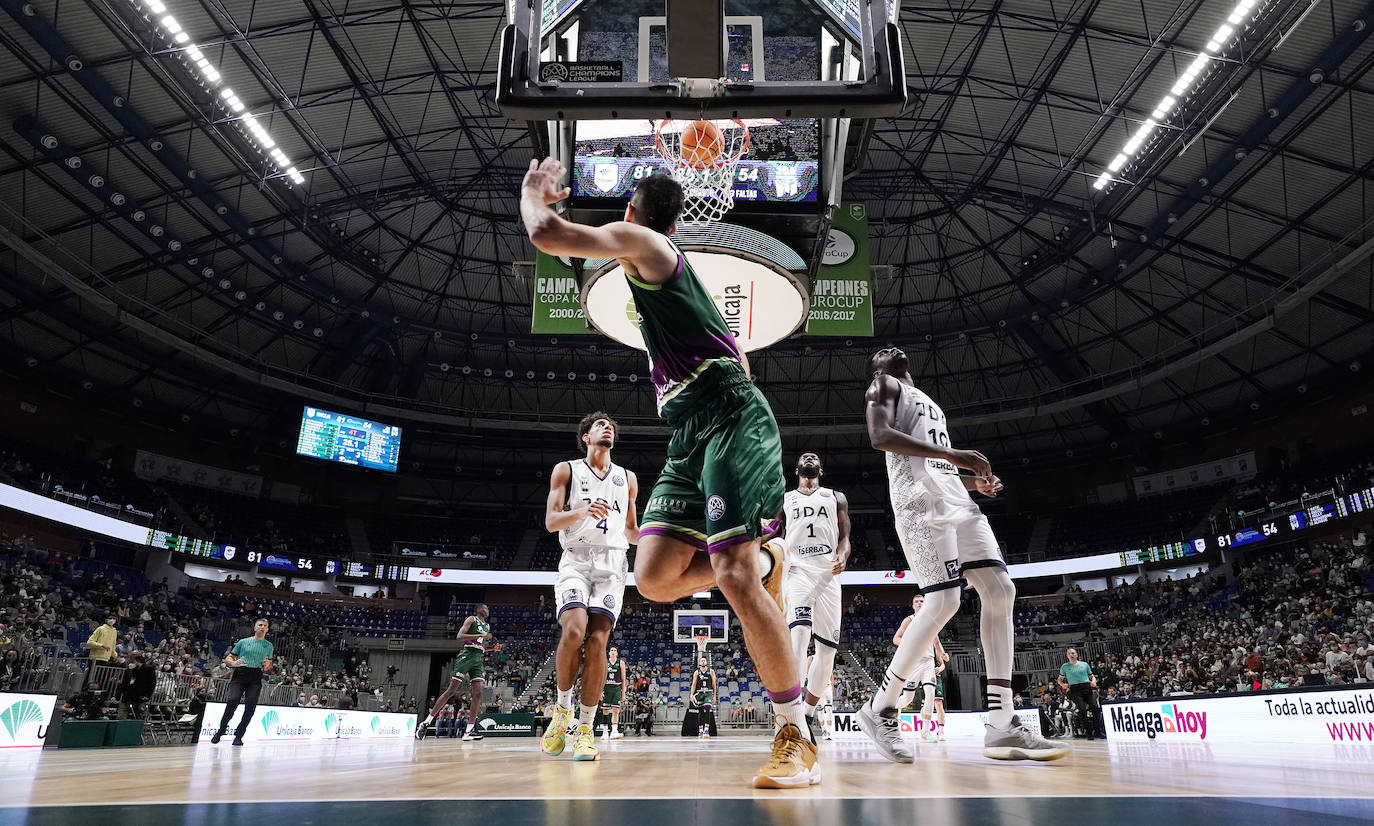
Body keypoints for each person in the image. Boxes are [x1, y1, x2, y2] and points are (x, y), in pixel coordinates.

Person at [521, 159, 817, 789]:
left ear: (632, 210)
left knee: (731, 573)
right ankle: (769, 561)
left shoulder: (647, 243)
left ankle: (795, 733)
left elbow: (546, 234)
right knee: (654, 580)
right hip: (689, 432)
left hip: (730, 416)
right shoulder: (659, 277)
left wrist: (532, 191)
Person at [857, 347, 1069, 763]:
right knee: (944, 600)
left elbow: (938, 467)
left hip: (956, 500)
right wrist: (957, 456)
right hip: (921, 506)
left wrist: (973, 483)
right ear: (877, 369)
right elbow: (879, 438)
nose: (891, 349)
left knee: (1000, 589)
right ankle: (880, 706)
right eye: (880, 352)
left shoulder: (928, 403)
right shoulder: (883, 386)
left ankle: (1002, 724)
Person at [539, 412, 640, 763]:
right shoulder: (566, 469)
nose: (608, 426)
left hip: (612, 565)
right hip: (577, 560)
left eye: (611, 424)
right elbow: (552, 522)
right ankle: (562, 712)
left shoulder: (628, 479)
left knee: (598, 642)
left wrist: (658, 539)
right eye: (600, 425)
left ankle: (585, 728)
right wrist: (580, 511)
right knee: (574, 631)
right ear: (586, 437)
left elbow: (630, 530)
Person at [765, 452, 850, 742]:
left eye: (814, 457)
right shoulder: (786, 499)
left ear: (821, 470)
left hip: (828, 573)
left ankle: (808, 716)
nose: (810, 458)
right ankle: (792, 715)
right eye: (805, 457)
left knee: (827, 652)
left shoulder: (836, 496)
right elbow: (771, 530)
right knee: (799, 636)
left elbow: (845, 537)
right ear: (797, 468)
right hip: (797, 569)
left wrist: (844, 553)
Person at [416, 604, 495, 742]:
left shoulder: (487, 626)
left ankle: (469, 731)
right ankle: (426, 722)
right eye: (485, 607)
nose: (487, 609)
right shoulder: (472, 619)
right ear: (478, 610)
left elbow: (480, 644)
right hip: (466, 656)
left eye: (488, 608)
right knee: (451, 691)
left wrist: (492, 648)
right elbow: (460, 636)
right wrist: (480, 634)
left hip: (478, 658)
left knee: (478, 694)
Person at [894, 594, 950, 742]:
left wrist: (941, 656)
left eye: (922, 601)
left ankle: (925, 731)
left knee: (930, 693)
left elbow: (936, 643)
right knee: (907, 698)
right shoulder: (909, 620)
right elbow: (896, 638)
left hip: (928, 663)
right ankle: (893, 709)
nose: (919, 603)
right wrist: (910, 645)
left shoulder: (932, 621)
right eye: (916, 602)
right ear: (913, 605)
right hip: (914, 663)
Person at [211, 618, 274, 745]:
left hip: (255, 675)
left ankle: (239, 736)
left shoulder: (269, 646)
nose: (262, 627)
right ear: (255, 628)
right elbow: (229, 658)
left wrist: (267, 665)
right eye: (260, 625)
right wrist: (233, 663)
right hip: (240, 673)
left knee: (250, 706)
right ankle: (221, 730)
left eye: (265, 626)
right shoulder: (243, 642)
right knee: (232, 700)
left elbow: (268, 665)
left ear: (267, 629)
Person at [1057, 648, 1103, 739]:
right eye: (1069, 653)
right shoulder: (1065, 666)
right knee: (1082, 710)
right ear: (1067, 656)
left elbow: (1092, 676)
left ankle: (1098, 731)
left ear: (1076, 654)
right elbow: (1059, 680)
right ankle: (1088, 732)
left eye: (1073, 653)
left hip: (1086, 687)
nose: (1071, 655)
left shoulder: (1084, 664)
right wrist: (1063, 685)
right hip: (1075, 689)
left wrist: (1094, 681)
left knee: (1094, 707)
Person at [116, 652, 156, 720]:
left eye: (134, 661)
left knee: (138, 713)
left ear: (138, 661)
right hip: (129, 695)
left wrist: (148, 695)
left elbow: (152, 683)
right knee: (122, 714)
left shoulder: (149, 669)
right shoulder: (132, 670)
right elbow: (132, 681)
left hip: (141, 696)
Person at [601, 646, 628, 740]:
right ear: (609, 653)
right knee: (605, 711)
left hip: (616, 688)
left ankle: (614, 731)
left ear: (617, 653)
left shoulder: (621, 663)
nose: (613, 652)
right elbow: (600, 679)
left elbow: (624, 679)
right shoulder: (604, 663)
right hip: (606, 688)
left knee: (616, 710)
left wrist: (623, 693)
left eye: (615, 650)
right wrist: (600, 692)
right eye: (611, 650)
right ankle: (605, 732)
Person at [689, 656, 717, 738]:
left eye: (705, 660)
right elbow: (693, 684)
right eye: (702, 660)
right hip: (699, 693)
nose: (703, 662)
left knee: (707, 709)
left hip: (708, 693)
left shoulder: (711, 671)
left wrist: (714, 695)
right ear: (699, 663)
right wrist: (691, 694)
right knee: (700, 711)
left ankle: (706, 730)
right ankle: (700, 730)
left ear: (707, 662)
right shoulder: (696, 672)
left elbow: (714, 684)